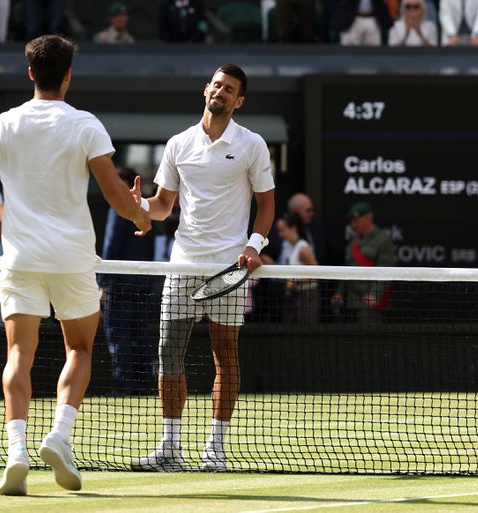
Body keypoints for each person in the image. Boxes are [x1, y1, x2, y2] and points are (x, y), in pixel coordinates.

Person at [0, 35, 150, 494]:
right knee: (80, 350)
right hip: (71, 258)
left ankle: (16, 451)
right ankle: (60, 435)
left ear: (30, 72)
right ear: (68, 75)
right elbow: (113, 194)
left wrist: (12, 219)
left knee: (17, 355)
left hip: (21, 257)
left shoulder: (3, 124)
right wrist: (141, 215)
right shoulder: (85, 124)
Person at [131, 64, 275, 472]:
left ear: (238, 100)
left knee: (224, 354)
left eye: (229, 89)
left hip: (230, 266)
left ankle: (215, 449)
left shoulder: (252, 145)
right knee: (168, 352)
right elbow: (162, 206)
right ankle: (170, 448)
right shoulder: (178, 144)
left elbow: (266, 204)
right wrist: (139, 208)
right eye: (216, 85)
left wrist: (254, 245)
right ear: (206, 90)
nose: (221, 92)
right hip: (184, 263)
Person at [99, 167, 157, 396]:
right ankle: (143, 384)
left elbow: (111, 246)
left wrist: (103, 282)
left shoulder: (119, 207)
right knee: (139, 333)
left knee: (120, 334)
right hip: (143, 284)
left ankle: (125, 385)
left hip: (121, 284)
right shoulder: (145, 210)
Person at [332, 201, 396, 323]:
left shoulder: (383, 240)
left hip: (370, 305)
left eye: (356, 221)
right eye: (351, 222)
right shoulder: (353, 243)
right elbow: (347, 270)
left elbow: (385, 271)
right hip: (351, 303)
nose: (353, 225)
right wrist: (339, 293)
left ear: (368, 218)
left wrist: (374, 295)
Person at [277, 212, 319, 324]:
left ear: (293, 228)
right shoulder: (290, 246)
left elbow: (317, 274)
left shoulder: (303, 249)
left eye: (282, 230)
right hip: (294, 297)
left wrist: (295, 281)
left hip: (307, 297)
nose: (280, 234)